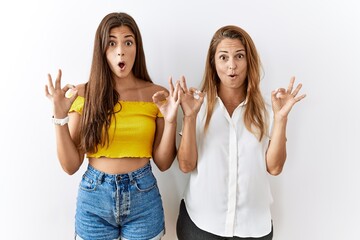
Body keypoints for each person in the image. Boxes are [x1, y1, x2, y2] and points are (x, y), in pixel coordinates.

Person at [45, 12, 180, 240]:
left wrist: (170, 120)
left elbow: (164, 163)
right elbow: (70, 166)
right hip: (94, 198)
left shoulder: (156, 95)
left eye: (128, 42)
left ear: (137, 47)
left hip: (143, 199)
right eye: (112, 43)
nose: (121, 51)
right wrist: (60, 117)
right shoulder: (83, 94)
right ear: (102, 50)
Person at [176, 25, 306, 240]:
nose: (232, 66)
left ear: (249, 61)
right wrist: (189, 117)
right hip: (200, 226)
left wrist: (281, 118)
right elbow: (186, 165)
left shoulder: (267, 110)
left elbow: (274, 168)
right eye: (223, 57)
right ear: (213, 63)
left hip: (253, 228)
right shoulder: (197, 106)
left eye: (239, 56)